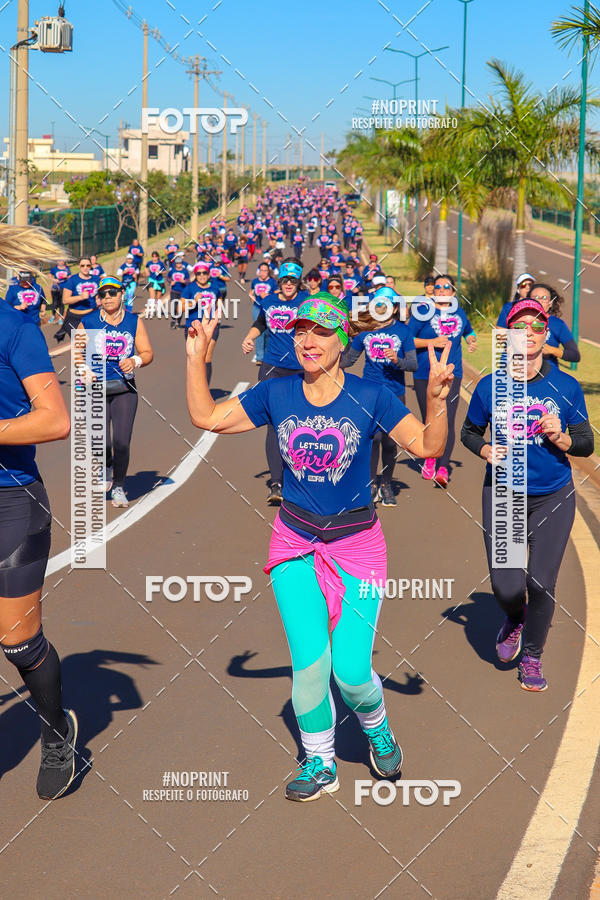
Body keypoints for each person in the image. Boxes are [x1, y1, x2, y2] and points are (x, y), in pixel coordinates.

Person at [187, 293, 453, 800]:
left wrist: (436, 402)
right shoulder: (277, 393)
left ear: (342, 341)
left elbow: (429, 447)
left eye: (321, 332)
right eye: (301, 332)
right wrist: (196, 362)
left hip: (358, 547)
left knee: (351, 671)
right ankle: (320, 761)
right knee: (309, 664)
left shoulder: (370, 397)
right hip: (295, 542)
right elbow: (207, 418)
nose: (308, 340)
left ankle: (376, 728)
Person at [461, 298, 593, 691]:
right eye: (521, 327)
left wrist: (562, 436)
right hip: (503, 495)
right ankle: (515, 617)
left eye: (537, 326)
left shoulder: (565, 386)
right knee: (507, 587)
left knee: (540, 582)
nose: (529, 333)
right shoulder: (489, 386)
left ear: (546, 333)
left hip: (552, 494)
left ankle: (533, 656)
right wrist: (484, 450)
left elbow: (585, 442)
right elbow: (469, 432)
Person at [0, 224, 75, 799]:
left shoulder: (15, 328)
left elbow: (54, 420)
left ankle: (57, 734)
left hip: (12, 501)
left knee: (19, 643)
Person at [79, 275, 153, 508]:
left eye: (113, 293)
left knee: (121, 442)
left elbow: (148, 352)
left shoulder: (133, 321)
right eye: (103, 294)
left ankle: (119, 486)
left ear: (123, 294)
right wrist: (83, 368)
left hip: (124, 388)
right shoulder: (89, 321)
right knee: (100, 441)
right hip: (95, 388)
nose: (108, 297)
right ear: (98, 298)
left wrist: (135, 360)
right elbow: (76, 351)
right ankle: (106, 465)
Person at [341, 286, 417, 506]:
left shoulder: (404, 331)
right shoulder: (366, 331)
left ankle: (387, 484)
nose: (381, 308)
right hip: (369, 394)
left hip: (394, 394)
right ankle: (371, 484)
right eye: (378, 304)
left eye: (386, 304)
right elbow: (348, 361)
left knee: (390, 443)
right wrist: (335, 348)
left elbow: (413, 364)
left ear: (394, 308)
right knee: (371, 440)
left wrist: (397, 361)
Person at [241, 259, 308, 504]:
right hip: (272, 368)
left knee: (300, 424)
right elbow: (259, 324)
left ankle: (299, 476)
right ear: (279, 281)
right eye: (284, 280)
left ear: (298, 282)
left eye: (293, 280)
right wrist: (249, 338)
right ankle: (277, 483)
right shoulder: (268, 301)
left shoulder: (307, 302)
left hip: (301, 370)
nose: (288, 284)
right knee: (274, 424)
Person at [409, 274, 477, 486]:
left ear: (453, 292)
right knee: (429, 418)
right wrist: (431, 342)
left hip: (451, 374)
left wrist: (471, 339)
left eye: (446, 287)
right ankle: (430, 457)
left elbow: (467, 330)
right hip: (425, 373)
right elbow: (407, 339)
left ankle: (443, 467)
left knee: (448, 420)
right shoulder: (422, 311)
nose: (441, 290)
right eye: (437, 287)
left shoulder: (459, 311)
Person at [500, 283, 580, 367]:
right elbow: (506, 350)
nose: (540, 300)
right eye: (535, 298)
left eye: (544, 298)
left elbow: (575, 355)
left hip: (548, 375)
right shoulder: (518, 320)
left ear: (550, 303)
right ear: (528, 300)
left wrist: (551, 350)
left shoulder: (558, 324)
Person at [54, 257, 100, 343]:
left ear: (91, 266)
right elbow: (65, 300)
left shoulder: (96, 279)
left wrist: (99, 300)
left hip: (92, 315)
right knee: (80, 347)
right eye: (83, 265)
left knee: (94, 345)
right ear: (79, 266)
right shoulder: (72, 280)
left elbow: (98, 296)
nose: (85, 267)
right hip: (75, 318)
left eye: (88, 265)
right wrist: (80, 297)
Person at [249, 262, 277, 365]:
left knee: (268, 332)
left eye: (265, 270)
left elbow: (277, 294)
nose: (263, 272)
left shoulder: (273, 282)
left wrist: (268, 296)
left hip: (269, 309)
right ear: (259, 271)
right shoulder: (255, 281)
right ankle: (260, 357)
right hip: (257, 308)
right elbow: (251, 292)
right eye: (261, 270)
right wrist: (253, 300)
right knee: (258, 331)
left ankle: (267, 355)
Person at [48, 259, 71, 324]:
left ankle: (60, 318)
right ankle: (53, 316)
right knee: (55, 303)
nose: (61, 262)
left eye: (62, 260)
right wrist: (54, 280)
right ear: (57, 261)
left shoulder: (67, 268)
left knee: (61, 303)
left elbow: (70, 276)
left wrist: (66, 277)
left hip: (64, 288)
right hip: (55, 288)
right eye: (60, 260)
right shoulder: (54, 269)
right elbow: (49, 276)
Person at [145, 251, 167, 315]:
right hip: (151, 280)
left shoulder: (161, 263)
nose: (154, 258)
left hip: (159, 280)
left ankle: (157, 309)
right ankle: (152, 310)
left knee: (158, 296)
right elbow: (146, 268)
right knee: (152, 295)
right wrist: (147, 273)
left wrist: (160, 272)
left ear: (158, 257)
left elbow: (165, 271)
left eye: (156, 256)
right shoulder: (149, 263)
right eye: (153, 257)